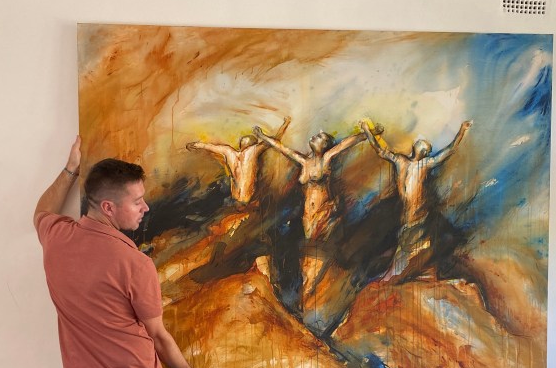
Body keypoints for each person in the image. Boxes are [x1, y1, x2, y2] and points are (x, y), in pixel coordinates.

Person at [34, 135, 218, 368]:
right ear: (108, 207)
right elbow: (157, 335)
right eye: (136, 201)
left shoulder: (56, 238)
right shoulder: (135, 263)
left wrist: (70, 169)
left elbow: (41, 211)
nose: (145, 207)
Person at [360, 118, 472, 278]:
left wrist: (462, 131)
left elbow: (449, 151)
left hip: (419, 219)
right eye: (424, 146)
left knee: (413, 254)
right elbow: (379, 150)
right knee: (403, 254)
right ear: (416, 148)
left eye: (427, 148)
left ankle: (413, 271)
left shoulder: (425, 164)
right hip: (407, 220)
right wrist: (366, 130)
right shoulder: (400, 160)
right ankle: (397, 273)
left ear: (425, 153)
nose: (425, 148)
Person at [251, 123, 379, 241]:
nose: (314, 137)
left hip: (323, 213)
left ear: (325, 145)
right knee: (309, 243)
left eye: (319, 137)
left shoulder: (326, 159)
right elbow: (282, 148)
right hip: (308, 215)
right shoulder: (304, 161)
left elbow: (345, 144)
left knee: (318, 244)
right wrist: (263, 136)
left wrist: (370, 132)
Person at [186, 116, 290, 206]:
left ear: (241, 144)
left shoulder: (229, 152)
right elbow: (275, 140)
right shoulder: (252, 151)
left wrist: (194, 144)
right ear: (253, 144)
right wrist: (285, 124)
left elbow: (210, 146)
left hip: (234, 198)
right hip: (246, 199)